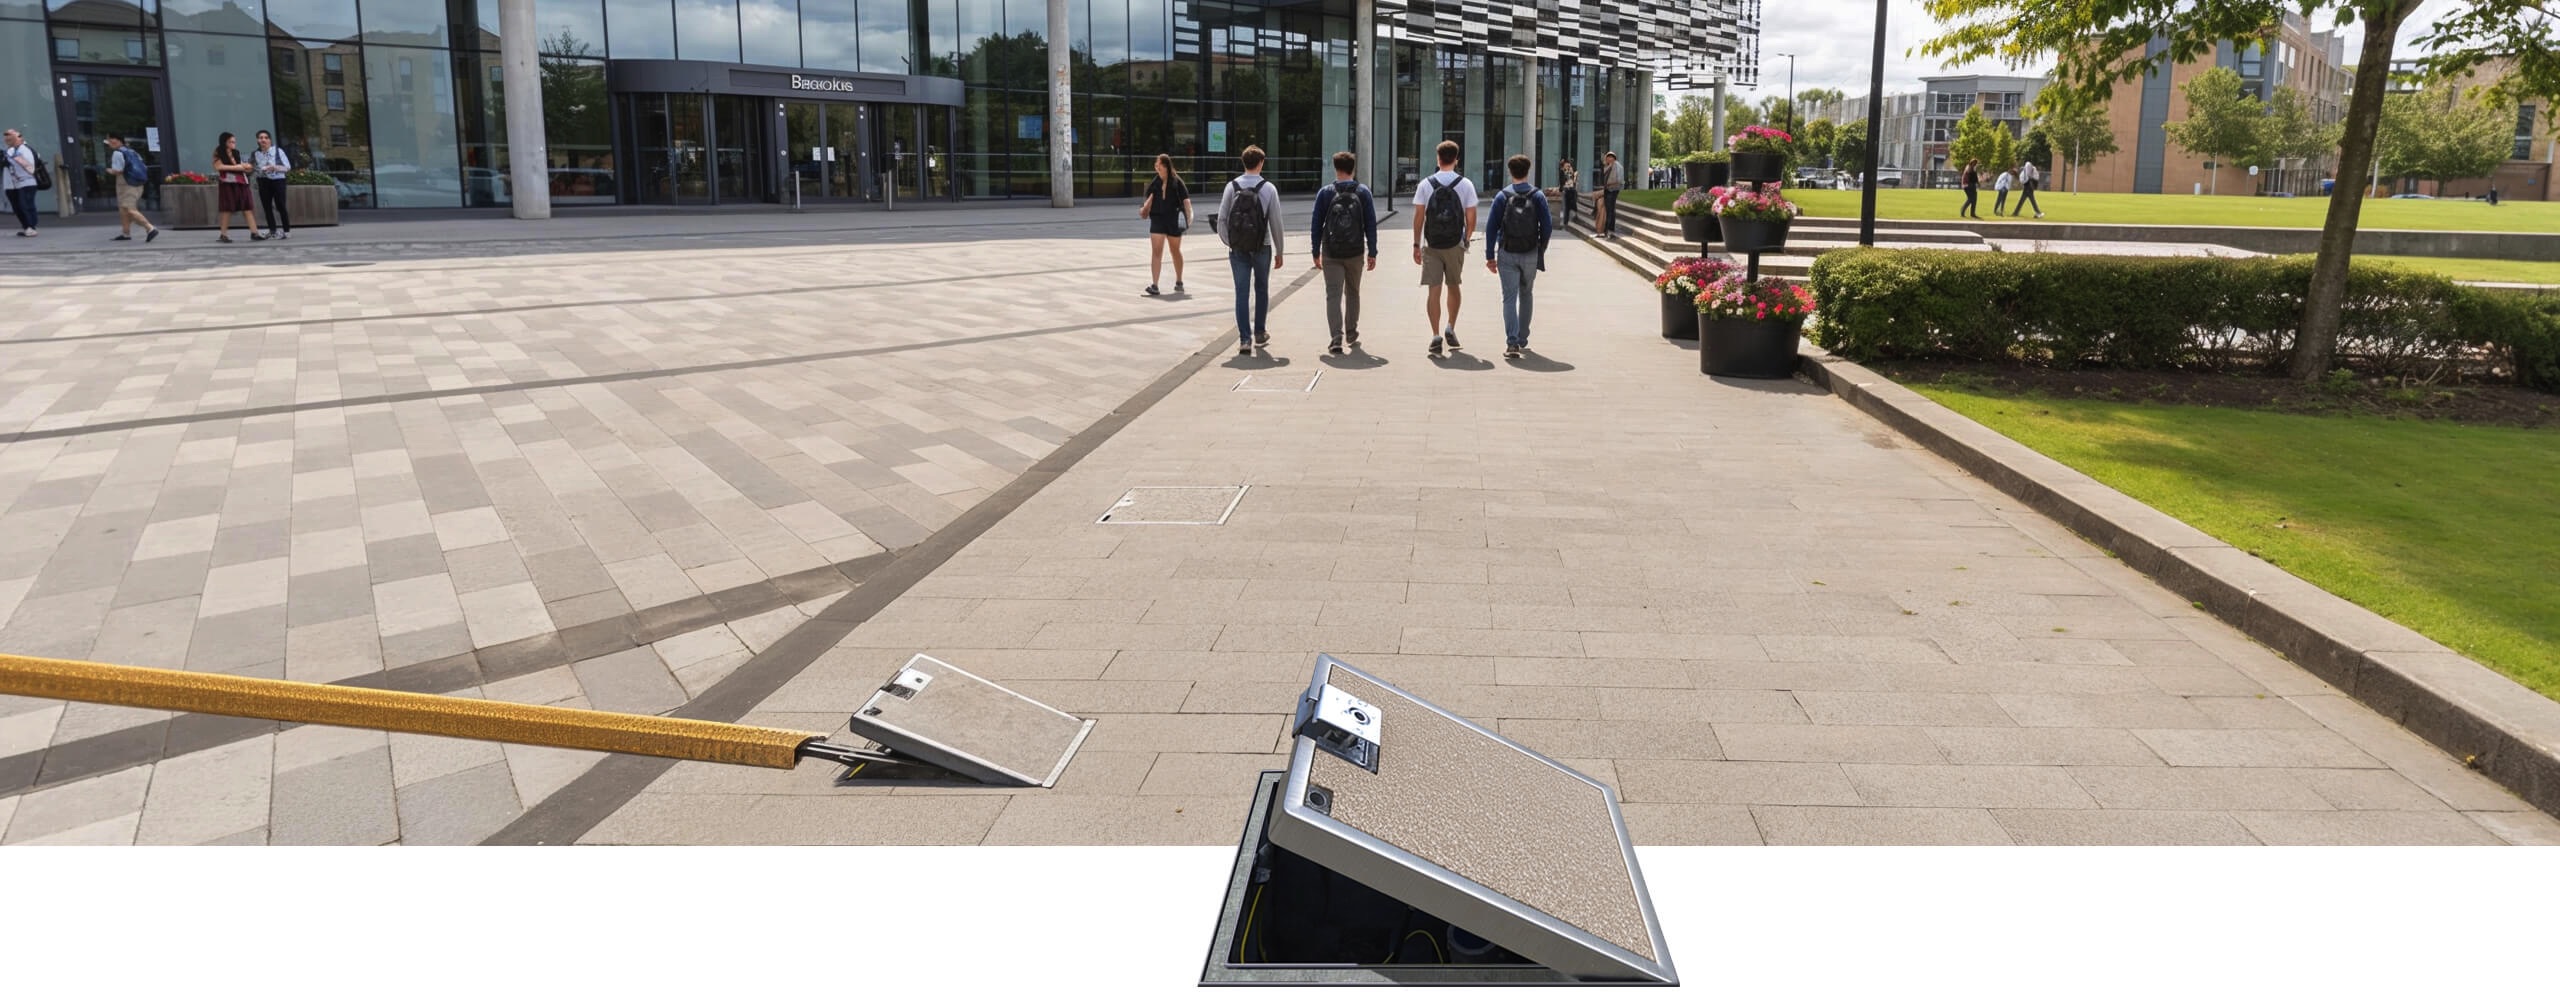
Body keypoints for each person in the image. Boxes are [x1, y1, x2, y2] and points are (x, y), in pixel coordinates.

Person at [1412, 139, 1479, 358]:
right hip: (1454, 244)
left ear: (1438, 158)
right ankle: (1450, 326)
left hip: (1431, 244)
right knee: (1454, 285)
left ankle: (1435, 335)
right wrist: (1466, 239)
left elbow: (1419, 217)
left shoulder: (1425, 184)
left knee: (1434, 289)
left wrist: (1416, 244)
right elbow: (1471, 217)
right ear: (1456, 160)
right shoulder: (1465, 184)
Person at [1215, 145, 1284, 356]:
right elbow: (1276, 222)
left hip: (1238, 249)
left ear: (1243, 162)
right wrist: (1280, 251)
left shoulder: (1231, 187)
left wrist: (1231, 242)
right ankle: (1260, 332)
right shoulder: (1269, 188)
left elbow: (1221, 220)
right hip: (1262, 246)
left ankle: (1245, 339)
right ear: (1261, 163)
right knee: (1261, 289)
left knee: (1241, 292)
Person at [1483, 153, 1553, 359]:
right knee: (1526, 293)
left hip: (1507, 252)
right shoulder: (1538, 196)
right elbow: (1547, 226)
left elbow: (1491, 227)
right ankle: (1523, 338)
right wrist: (1541, 248)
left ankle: (1512, 342)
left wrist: (1490, 255)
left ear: (1510, 172)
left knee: (1509, 297)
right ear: (1528, 171)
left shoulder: (1502, 196)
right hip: (1530, 251)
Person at [1309, 150, 1379, 355]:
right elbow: (1370, 224)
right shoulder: (1363, 192)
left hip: (1331, 251)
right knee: (1353, 292)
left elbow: (1316, 224)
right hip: (1355, 251)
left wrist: (1315, 250)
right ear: (1353, 169)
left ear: (1336, 169)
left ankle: (1336, 337)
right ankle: (1351, 332)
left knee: (1333, 294)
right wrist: (1372, 251)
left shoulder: (1325, 193)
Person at [1139, 152, 1192, 296]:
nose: (1157, 168)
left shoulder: (1177, 182)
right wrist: (1144, 208)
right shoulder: (1154, 182)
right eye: (1156, 165)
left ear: (1166, 166)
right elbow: (1148, 200)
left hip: (1173, 220)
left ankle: (1179, 281)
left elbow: (1186, 201)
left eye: (1159, 165)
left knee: (1175, 251)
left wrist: (1189, 218)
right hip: (1157, 219)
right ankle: (1155, 285)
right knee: (1156, 251)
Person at [210, 132, 264, 242]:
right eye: (230, 141)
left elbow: (242, 167)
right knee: (227, 209)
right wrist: (238, 167)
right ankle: (223, 235)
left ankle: (254, 233)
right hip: (227, 183)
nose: (233, 143)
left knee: (247, 207)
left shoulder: (236, 152)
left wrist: (246, 167)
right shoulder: (219, 151)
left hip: (241, 182)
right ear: (224, 142)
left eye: (234, 141)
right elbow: (218, 166)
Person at [103, 136, 157, 242]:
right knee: (123, 210)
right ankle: (126, 233)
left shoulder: (117, 153)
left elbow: (117, 170)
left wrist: (108, 170)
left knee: (129, 209)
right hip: (136, 183)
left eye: (111, 142)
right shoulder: (132, 152)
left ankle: (150, 228)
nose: (109, 144)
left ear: (119, 141)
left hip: (127, 184)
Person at [252, 130, 293, 240]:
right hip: (263, 181)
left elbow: (288, 167)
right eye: (261, 137)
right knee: (267, 207)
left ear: (270, 140)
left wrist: (274, 167)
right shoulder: (255, 153)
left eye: (266, 137)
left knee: (280, 205)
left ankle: (286, 231)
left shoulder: (278, 151)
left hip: (278, 180)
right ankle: (272, 230)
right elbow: (253, 168)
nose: (263, 140)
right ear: (257, 140)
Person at [3, 128, 39, 238]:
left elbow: (29, 166)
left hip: (26, 182)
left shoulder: (24, 149)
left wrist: (10, 159)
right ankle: (27, 227)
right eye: (6, 137)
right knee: (18, 207)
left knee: (25, 205)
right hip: (14, 184)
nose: (7, 139)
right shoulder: (11, 150)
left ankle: (31, 226)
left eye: (11, 137)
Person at [1598, 151, 1624, 239]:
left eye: (1610, 157)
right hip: (1607, 189)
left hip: (1613, 190)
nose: (1608, 158)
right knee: (1608, 209)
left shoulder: (1618, 166)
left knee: (1610, 210)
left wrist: (1609, 184)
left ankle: (1610, 229)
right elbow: (1603, 176)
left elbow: (1619, 180)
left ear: (1613, 158)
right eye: (1607, 157)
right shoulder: (1608, 166)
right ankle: (1606, 230)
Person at [1557, 159, 1579, 229]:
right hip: (1566, 190)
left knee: (1572, 206)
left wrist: (1574, 176)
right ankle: (1565, 222)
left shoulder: (1571, 171)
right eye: (1567, 165)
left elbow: (1574, 181)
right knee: (1565, 207)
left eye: (1569, 165)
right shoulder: (1562, 171)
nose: (1568, 166)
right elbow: (1562, 181)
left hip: (1572, 190)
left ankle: (1571, 220)